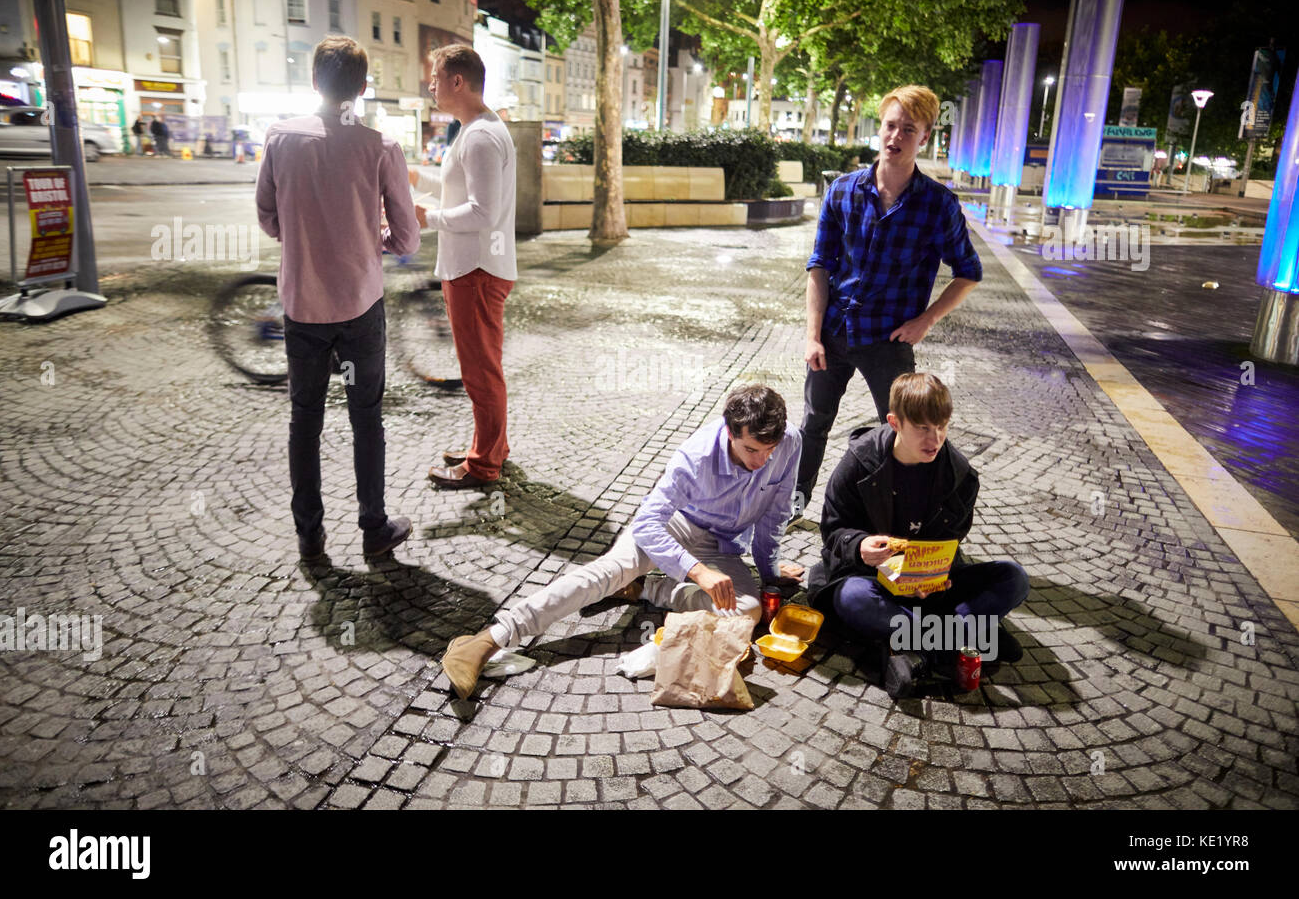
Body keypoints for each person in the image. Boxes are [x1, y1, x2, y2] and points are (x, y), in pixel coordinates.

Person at [440, 384, 803, 701]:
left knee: (747, 610)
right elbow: (648, 523)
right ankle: (487, 639)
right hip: (673, 528)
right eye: (752, 450)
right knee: (609, 571)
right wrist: (696, 571)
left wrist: (769, 573)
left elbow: (775, 513)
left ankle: (647, 590)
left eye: (769, 451)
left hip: (720, 546)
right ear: (729, 431)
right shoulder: (694, 458)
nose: (762, 461)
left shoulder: (788, 443)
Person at [255, 35, 420, 561]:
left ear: (314, 83)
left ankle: (310, 535)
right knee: (365, 415)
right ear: (364, 88)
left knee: (304, 417)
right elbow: (409, 237)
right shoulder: (379, 146)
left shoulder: (280, 137)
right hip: (359, 303)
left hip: (303, 304)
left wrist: (304, 236)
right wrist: (379, 242)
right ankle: (374, 527)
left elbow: (266, 215)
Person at [797, 85, 983, 512]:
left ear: (925, 138)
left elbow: (968, 273)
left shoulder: (938, 205)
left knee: (901, 432)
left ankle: (897, 515)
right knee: (813, 424)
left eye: (909, 129)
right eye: (890, 125)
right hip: (834, 332)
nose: (896, 136)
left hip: (890, 341)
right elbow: (819, 266)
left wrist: (927, 320)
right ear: (879, 128)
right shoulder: (842, 191)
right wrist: (812, 336)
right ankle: (795, 501)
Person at [808, 372, 1029, 699]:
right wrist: (859, 546)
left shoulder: (961, 476)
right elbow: (833, 528)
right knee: (851, 598)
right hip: (871, 579)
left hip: (931, 590)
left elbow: (952, 541)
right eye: (923, 428)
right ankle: (967, 637)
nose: (934, 439)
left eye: (941, 427)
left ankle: (917, 647)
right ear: (895, 422)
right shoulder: (860, 462)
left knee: (1014, 579)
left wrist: (935, 577)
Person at [409, 46, 516, 490]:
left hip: (475, 269)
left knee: (479, 371)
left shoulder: (480, 136)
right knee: (482, 367)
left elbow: (482, 212)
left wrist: (426, 218)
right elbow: (461, 188)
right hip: (474, 267)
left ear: (458, 81)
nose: (430, 85)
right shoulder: (476, 130)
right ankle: (491, 447)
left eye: (436, 76)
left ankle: (483, 465)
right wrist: (419, 177)